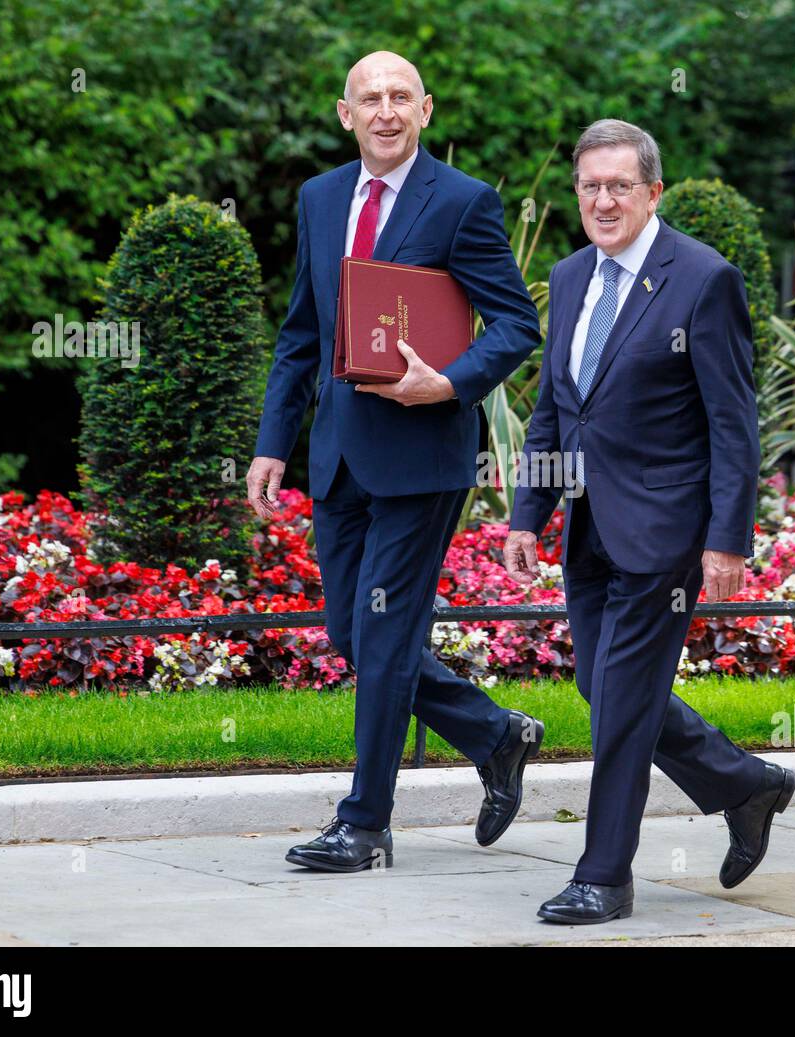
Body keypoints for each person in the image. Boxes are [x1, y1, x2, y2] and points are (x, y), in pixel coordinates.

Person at [248, 51, 544, 873]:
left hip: (423, 457)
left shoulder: (464, 202)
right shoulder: (319, 197)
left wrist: (448, 383)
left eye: (400, 97)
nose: (385, 111)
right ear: (346, 114)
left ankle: (365, 822)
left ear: (426, 111)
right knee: (353, 629)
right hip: (338, 454)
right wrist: (274, 441)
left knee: (381, 637)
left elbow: (517, 324)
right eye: (369, 98)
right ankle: (495, 732)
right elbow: (302, 332)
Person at [504, 119, 795, 924]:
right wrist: (528, 512)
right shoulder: (569, 278)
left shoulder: (702, 279)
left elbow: (734, 423)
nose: (602, 200)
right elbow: (554, 415)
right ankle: (746, 784)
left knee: (623, 701)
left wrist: (728, 539)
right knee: (604, 689)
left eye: (619, 186)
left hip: (666, 530)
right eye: (590, 186)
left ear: (653, 192)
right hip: (589, 532)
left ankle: (605, 875)